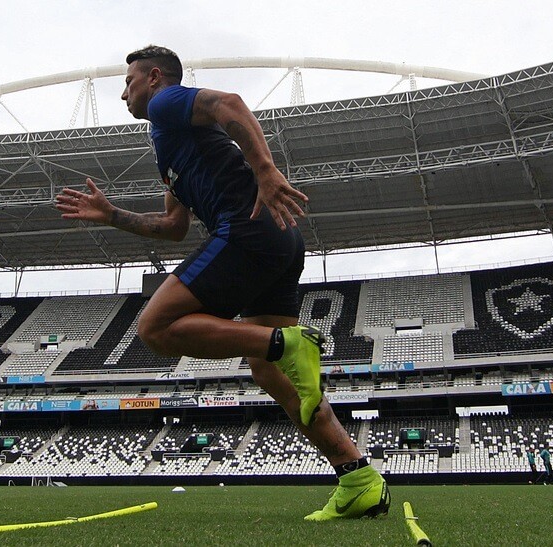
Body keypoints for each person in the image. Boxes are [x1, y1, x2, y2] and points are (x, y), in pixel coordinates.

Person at [54, 45, 389, 520]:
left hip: (248, 229)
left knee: (155, 328)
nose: (123, 94)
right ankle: (357, 477)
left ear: (154, 78)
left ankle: (288, 343)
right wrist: (112, 216)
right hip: (276, 240)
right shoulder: (167, 144)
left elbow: (228, 103)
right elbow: (173, 227)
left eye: (128, 83)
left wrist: (266, 172)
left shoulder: (166, 102)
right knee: (270, 371)